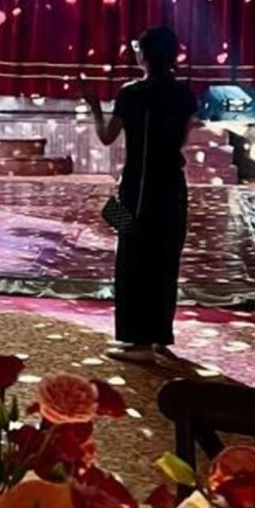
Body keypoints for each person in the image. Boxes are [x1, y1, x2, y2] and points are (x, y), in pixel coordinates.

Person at [83, 26, 198, 357]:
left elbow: (106, 136)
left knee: (132, 260)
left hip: (138, 187)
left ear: (144, 55)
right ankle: (161, 335)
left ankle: (139, 341)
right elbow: (181, 143)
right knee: (166, 260)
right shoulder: (184, 94)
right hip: (173, 187)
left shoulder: (131, 93)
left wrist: (93, 104)